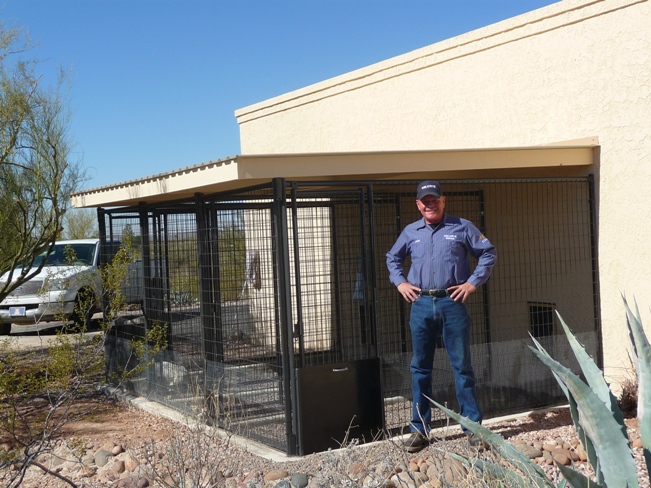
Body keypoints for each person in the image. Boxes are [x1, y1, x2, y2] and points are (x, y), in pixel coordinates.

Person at [386, 180, 496, 452]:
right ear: (418, 204)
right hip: (421, 304)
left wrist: (471, 283)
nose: (429, 204)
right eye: (425, 200)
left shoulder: (462, 227)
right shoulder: (410, 232)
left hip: (452, 303)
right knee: (420, 368)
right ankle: (419, 430)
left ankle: (473, 428)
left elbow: (488, 253)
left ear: (443, 201)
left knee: (462, 368)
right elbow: (392, 258)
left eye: (434, 199)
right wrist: (400, 282)